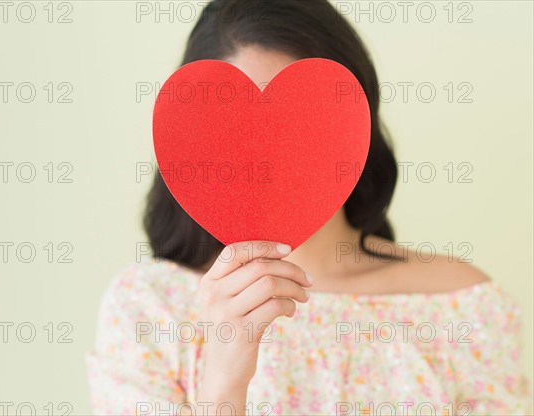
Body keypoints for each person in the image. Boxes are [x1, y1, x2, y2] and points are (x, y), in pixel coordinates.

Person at [87, 0, 532, 414]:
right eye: (237, 131)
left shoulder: (462, 306)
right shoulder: (148, 309)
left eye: (299, 125)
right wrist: (223, 381)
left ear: (358, 127)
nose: (268, 156)